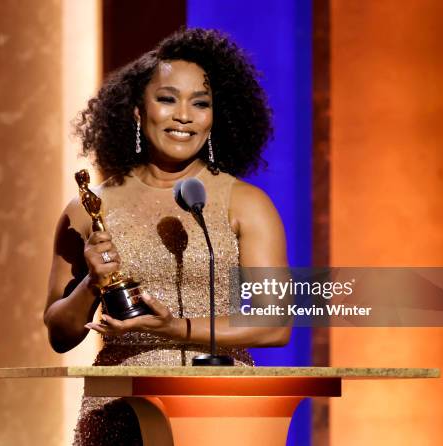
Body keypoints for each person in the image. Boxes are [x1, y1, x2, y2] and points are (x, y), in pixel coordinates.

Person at [43, 28, 290, 445]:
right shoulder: (88, 209)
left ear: (216, 117)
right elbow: (59, 334)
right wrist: (92, 282)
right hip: (119, 414)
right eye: (167, 99)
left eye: (201, 104)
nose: (184, 116)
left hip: (218, 411)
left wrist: (175, 327)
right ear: (138, 111)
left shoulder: (246, 204)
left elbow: (275, 324)